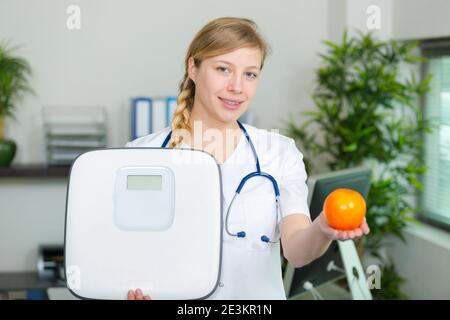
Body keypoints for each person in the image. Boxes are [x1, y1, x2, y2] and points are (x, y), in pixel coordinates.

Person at [126, 17, 370, 300]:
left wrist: (324, 227)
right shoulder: (140, 155)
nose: (237, 87)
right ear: (193, 67)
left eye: (250, 74)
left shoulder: (279, 153)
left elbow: (297, 251)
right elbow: (128, 253)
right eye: (223, 69)